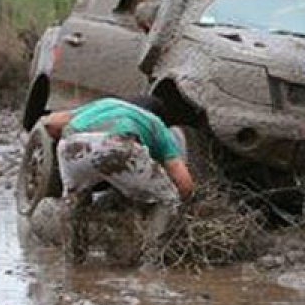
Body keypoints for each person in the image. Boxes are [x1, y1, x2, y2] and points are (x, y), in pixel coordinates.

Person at [41, 95, 194, 264]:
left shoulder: (106, 103)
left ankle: (74, 260)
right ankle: (151, 260)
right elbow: (183, 181)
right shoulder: (156, 124)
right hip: (118, 143)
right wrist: (186, 205)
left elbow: (50, 124)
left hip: (71, 145)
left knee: (75, 199)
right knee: (169, 199)